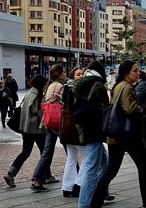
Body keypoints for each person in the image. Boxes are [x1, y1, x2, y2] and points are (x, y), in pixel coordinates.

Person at [90, 60, 146, 208]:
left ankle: (95, 202)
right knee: (142, 168)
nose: (138, 72)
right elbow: (130, 108)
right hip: (129, 135)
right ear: (127, 73)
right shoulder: (127, 87)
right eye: (135, 70)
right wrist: (144, 110)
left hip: (117, 135)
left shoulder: (118, 86)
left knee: (111, 170)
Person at [3, 75, 55, 188]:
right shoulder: (38, 96)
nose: (46, 86)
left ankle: (10, 174)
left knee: (25, 152)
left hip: (26, 129)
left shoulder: (29, 93)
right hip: (37, 130)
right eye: (45, 84)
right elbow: (41, 114)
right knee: (45, 154)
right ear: (41, 85)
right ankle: (44, 177)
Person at [72, 61, 112, 208]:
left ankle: (103, 193)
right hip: (95, 129)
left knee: (103, 160)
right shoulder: (98, 86)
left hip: (83, 126)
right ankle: (85, 203)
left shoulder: (78, 84)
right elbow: (106, 109)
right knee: (91, 166)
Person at [30, 65, 65, 192]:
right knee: (71, 152)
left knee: (47, 152)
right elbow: (63, 103)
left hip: (48, 121)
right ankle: (78, 179)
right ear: (60, 74)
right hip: (57, 122)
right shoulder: (59, 86)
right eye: (64, 72)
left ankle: (37, 180)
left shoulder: (50, 85)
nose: (65, 74)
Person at [61, 67, 85, 198]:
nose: (81, 76)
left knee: (71, 158)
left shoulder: (66, 88)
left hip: (67, 129)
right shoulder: (75, 89)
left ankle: (67, 187)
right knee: (88, 157)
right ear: (73, 76)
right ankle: (78, 184)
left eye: (82, 74)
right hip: (75, 129)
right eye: (78, 74)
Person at [135, 70, 146, 154]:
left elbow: (138, 97)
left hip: (142, 111)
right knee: (142, 129)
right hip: (144, 110)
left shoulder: (141, 85)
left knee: (142, 129)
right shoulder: (143, 84)